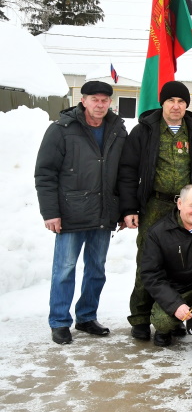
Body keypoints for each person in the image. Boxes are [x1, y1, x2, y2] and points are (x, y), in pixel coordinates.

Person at [118, 81, 192, 341]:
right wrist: (129, 207)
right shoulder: (144, 132)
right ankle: (139, 317)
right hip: (155, 205)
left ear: (187, 105)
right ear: (162, 103)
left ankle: (172, 314)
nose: (176, 106)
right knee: (147, 262)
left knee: (184, 260)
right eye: (171, 101)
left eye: (181, 101)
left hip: (186, 209)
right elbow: (128, 170)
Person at [34, 81, 127, 344]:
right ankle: (60, 321)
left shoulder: (118, 131)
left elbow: (124, 173)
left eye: (104, 100)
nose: (100, 104)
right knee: (64, 268)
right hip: (71, 211)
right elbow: (45, 173)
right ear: (83, 100)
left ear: (110, 102)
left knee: (96, 269)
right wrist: (50, 212)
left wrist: (123, 209)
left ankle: (86, 317)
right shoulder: (61, 129)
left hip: (103, 212)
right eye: (94, 99)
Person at [139, 185, 192, 357]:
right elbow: (151, 274)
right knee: (162, 320)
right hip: (177, 285)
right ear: (179, 203)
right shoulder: (158, 232)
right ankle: (167, 329)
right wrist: (175, 304)